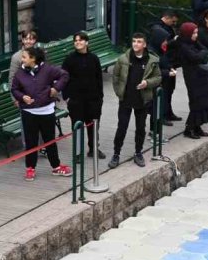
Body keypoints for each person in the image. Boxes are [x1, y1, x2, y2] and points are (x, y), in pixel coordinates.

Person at [11, 46, 72, 181]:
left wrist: (56, 89)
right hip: (28, 112)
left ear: (33, 59)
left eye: (24, 57)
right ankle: (30, 168)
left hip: (46, 111)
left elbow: (64, 75)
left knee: (50, 140)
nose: (22, 60)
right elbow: (14, 89)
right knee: (30, 141)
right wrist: (22, 97)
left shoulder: (48, 69)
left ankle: (56, 167)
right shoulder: (20, 73)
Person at [109, 33, 162, 169]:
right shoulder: (123, 59)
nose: (135, 44)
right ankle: (116, 154)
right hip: (126, 99)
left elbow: (158, 78)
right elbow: (115, 77)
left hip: (142, 99)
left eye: (139, 42)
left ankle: (138, 152)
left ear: (144, 44)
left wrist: (147, 83)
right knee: (122, 127)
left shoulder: (152, 61)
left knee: (140, 128)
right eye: (134, 41)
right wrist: (119, 92)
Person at [62, 31, 105, 159]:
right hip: (76, 100)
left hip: (93, 99)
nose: (78, 42)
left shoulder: (94, 58)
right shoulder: (69, 59)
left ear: (87, 42)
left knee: (93, 126)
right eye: (76, 40)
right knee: (78, 126)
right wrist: (67, 97)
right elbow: (63, 78)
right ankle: (78, 153)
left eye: (80, 40)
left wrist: (100, 97)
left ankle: (93, 149)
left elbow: (99, 78)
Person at [172, 22, 208, 139]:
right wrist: (202, 55)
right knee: (197, 102)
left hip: (201, 76)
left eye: (196, 32)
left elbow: (206, 51)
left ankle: (197, 126)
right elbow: (196, 57)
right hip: (193, 78)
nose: (196, 35)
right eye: (194, 33)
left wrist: (201, 54)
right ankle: (189, 128)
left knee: (206, 100)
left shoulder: (194, 43)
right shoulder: (183, 46)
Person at [147, 11, 181, 124]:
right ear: (166, 18)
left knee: (169, 89)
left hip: (169, 63)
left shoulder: (165, 29)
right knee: (164, 91)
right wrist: (173, 41)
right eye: (173, 21)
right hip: (165, 66)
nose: (174, 24)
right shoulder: (158, 30)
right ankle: (161, 116)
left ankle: (167, 112)